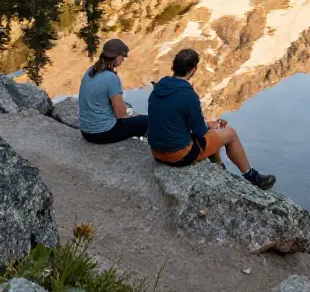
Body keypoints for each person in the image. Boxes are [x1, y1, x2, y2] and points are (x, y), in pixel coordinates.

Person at [148, 49, 275, 189]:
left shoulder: (158, 87)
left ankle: (219, 168)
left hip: (157, 152)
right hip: (177, 155)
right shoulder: (187, 94)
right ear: (193, 69)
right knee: (230, 133)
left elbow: (174, 120)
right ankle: (252, 176)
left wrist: (209, 125)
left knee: (212, 134)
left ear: (173, 67)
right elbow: (199, 132)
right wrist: (211, 126)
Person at [78, 38, 148, 144]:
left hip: (85, 131)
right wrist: (132, 115)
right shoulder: (112, 79)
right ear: (116, 57)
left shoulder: (91, 70)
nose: (123, 59)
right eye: (122, 56)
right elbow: (121, 114)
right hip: (102, 133)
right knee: (148, 121)